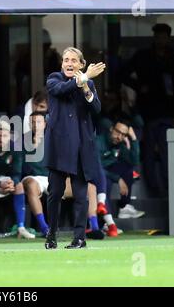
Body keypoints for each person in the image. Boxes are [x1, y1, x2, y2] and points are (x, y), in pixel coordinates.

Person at [44, 47, 105, 249]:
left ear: (81, 64)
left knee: (81, 195)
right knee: (55, 194)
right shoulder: (54, 78)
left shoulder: (89, 83)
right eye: (65, 60)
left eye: (73, 60)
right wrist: (84, 77)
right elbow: (61, 90)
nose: (68, 63)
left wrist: (86, 86)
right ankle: (51, 234)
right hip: (59, 146)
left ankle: (79, 238)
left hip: (81, 146)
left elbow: (96, 109)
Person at [122, 23, 174, 196]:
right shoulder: (143, 56)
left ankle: (168, 188)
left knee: (167, 152)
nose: (161, 40)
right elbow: (123, 73)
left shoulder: (171, 57)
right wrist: (140, 86)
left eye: (164, 36)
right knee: (149, 152)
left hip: (167, 110)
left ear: (168, 38)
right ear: (154, 38)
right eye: (158, 36)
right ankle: (155, 189)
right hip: (148, 112)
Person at [96, 119, 145, 219]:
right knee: (106, 183)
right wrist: (118, 179)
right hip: (97, 172)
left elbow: (134, 161)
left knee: (127, 169)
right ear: (111, 129)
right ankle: (104, 221)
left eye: (123, 135)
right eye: (117, 132)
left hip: (109, 170)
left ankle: (124, 206)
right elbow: (96, 168)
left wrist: (134, 139)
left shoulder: (119, 145)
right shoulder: (98, 142)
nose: (119, 137)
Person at [21, 111, 49, 236]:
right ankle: (44, 228)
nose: (35, 125)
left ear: (45, 123)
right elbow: (22, 166)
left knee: (88, 186)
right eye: (32, 122)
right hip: (33, 177)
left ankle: (94, 226)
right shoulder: (22, 140)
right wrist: (34, 146)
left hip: (51, 177)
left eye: (38, 122)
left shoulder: (53, 138)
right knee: (31, 185)